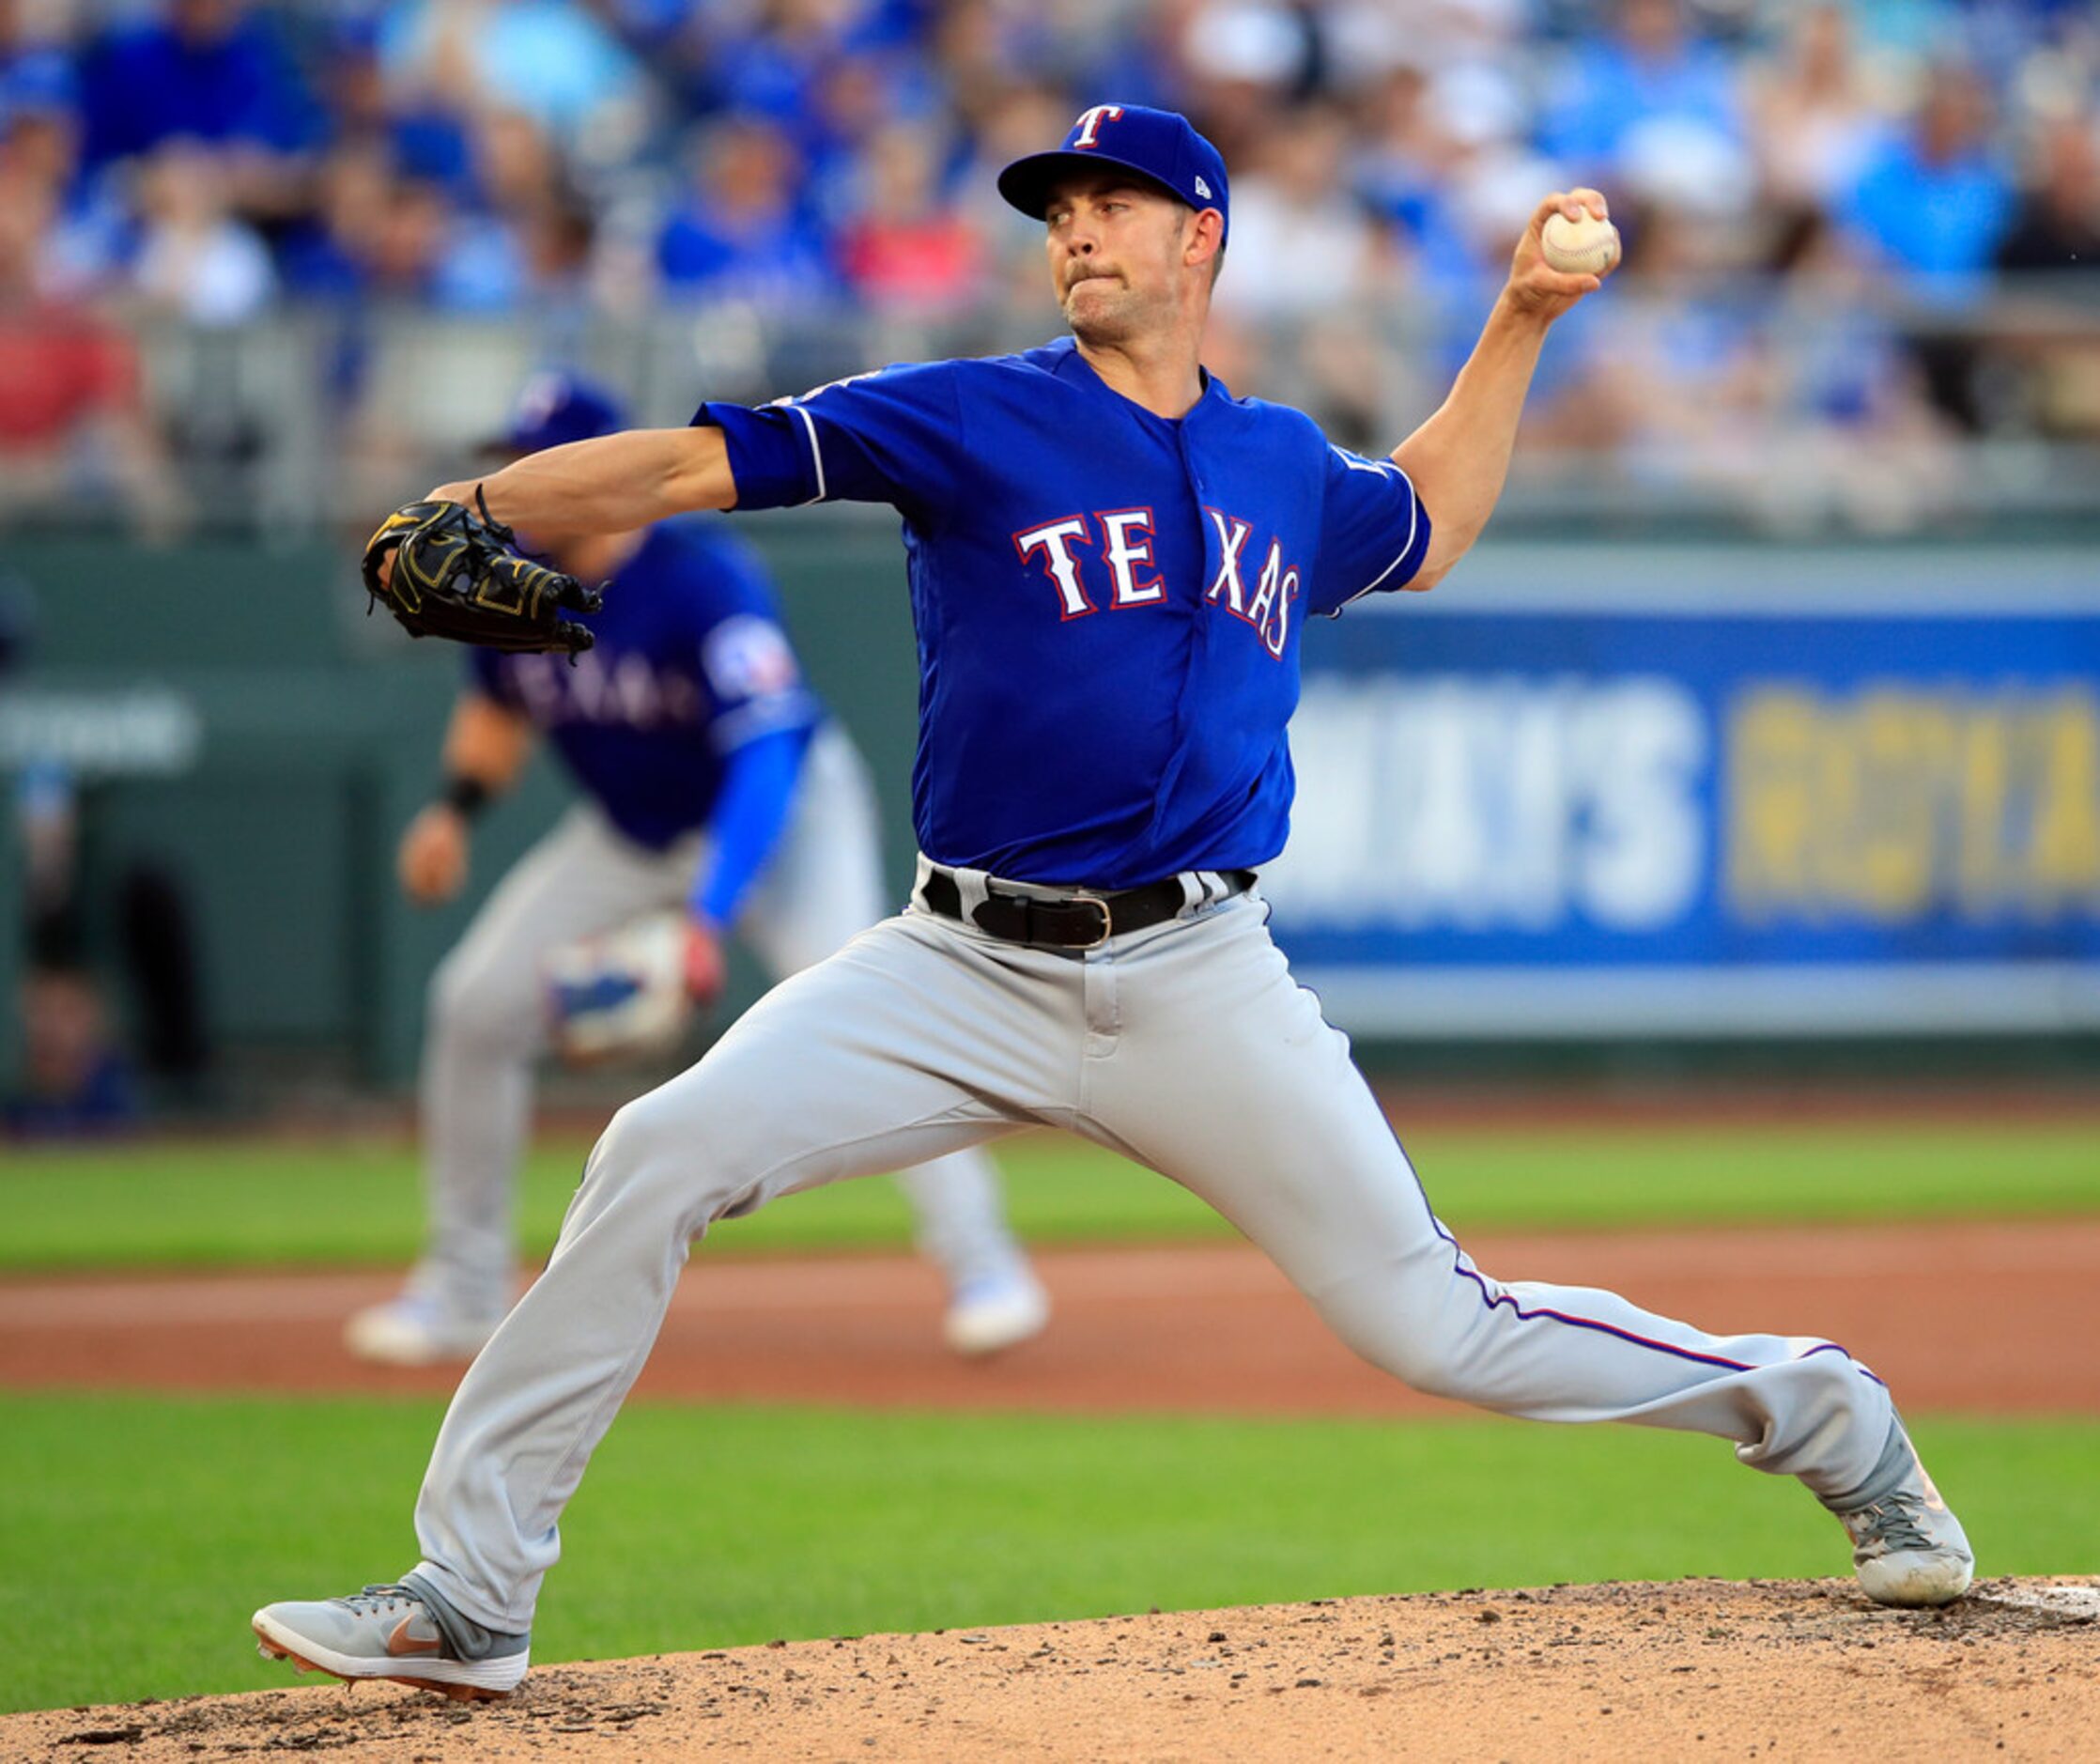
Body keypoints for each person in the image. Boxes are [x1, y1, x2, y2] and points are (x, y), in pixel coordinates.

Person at [255, 103, 1972, 1701]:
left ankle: (1830, 1416)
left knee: (1440, 1324)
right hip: (951, 960)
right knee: (657, 1149)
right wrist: (488, 504)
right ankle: (470, 1595)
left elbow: (1432, 522)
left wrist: (1520, 315)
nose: (1076, 230)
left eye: (1111, 204)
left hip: (1198, 973)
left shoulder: (1279, 462)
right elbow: (695, 468)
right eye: (1058, 210)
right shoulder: (969, 413)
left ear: (1200, 238)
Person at [343, 371, 1049, 1368]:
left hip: (781, 819)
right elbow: (497, 708)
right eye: (513, 459)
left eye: (539, 461)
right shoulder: (503, 572)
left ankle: (983, 1262)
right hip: (630, 833)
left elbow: (762, 756)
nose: (517, 480)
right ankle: (461, 1287)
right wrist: (455, 813)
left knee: (874, 1017)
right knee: (474, 1005)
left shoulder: (698, 578)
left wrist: (707, 916)